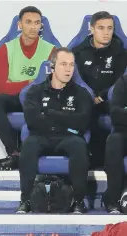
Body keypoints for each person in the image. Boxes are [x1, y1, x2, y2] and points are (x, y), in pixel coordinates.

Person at [16, 48, 92, 214]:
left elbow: (82, 122)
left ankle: (78, 201)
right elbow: (32, 121)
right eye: (63, 64)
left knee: (79, 146)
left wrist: (50, 114)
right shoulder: (35, 92)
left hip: (69, 137)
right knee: (29, 145)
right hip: (41, 136)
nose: (68, 69)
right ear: (52, 66)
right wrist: (66, 120)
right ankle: (26, 200)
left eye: (71, 65)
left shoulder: (81, 93)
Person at [0, 6, 57, 170]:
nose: (33, 26)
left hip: (39, 97)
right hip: (15, 97)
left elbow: (51, 84)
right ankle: (13, 153)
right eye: (28, 22)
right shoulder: (5, 49)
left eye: (37, 23)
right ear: (19, 25)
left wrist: (26, 86)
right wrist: (29, 83)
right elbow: (0, 87)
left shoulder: (51, 50)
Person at [72, 11, 127, 168]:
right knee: (85, 109)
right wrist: (90, 95)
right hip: (84, 98)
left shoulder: (121, 53)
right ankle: (87, 158)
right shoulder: (77, 52)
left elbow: (120, 80)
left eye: (110, 28)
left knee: (117, 113)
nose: (106, 32)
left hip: (110, 99)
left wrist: (102, 96)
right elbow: (75, 79)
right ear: (91, 29)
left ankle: (109, 160)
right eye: (101, 28)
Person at [103, 74, 127, 214]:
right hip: (123, 131)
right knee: (113, 141)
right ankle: (113, 199)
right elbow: (115, 113)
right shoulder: (124, 81)